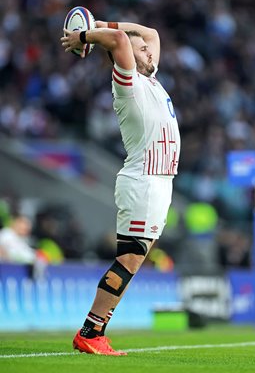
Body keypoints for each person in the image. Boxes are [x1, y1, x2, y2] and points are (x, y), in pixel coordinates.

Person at [60, 18, 181, 356]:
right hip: (144, 179)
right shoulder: (128, 81)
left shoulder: (150, 77)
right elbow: (117, 39)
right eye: (138, 48)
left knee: (135, 261)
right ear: (124, 55)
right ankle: (90, 331)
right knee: (129, 259)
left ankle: (96, 330)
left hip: (160, 182)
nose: (147, 48)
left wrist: (98, 22)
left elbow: (152, 33)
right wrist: (85, 36)